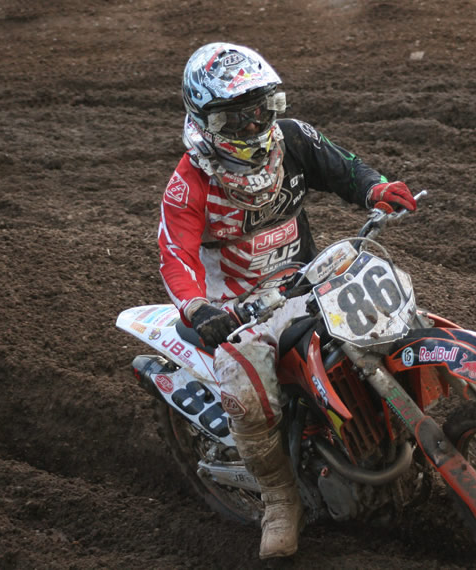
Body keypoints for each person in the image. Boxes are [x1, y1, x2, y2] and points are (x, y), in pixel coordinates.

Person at [157, 42, 417, 559]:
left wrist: (375, 189)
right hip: (238, 307)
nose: (255, 126)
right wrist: (198, 308)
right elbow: (175, 256)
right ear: (205, 121)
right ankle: (280, 500)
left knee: (398, 318)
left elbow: (343, 167)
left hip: (306, 277)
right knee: (245, 383)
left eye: (263, 109)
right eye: (237, 118)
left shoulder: (293, 138)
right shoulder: (189, 185)